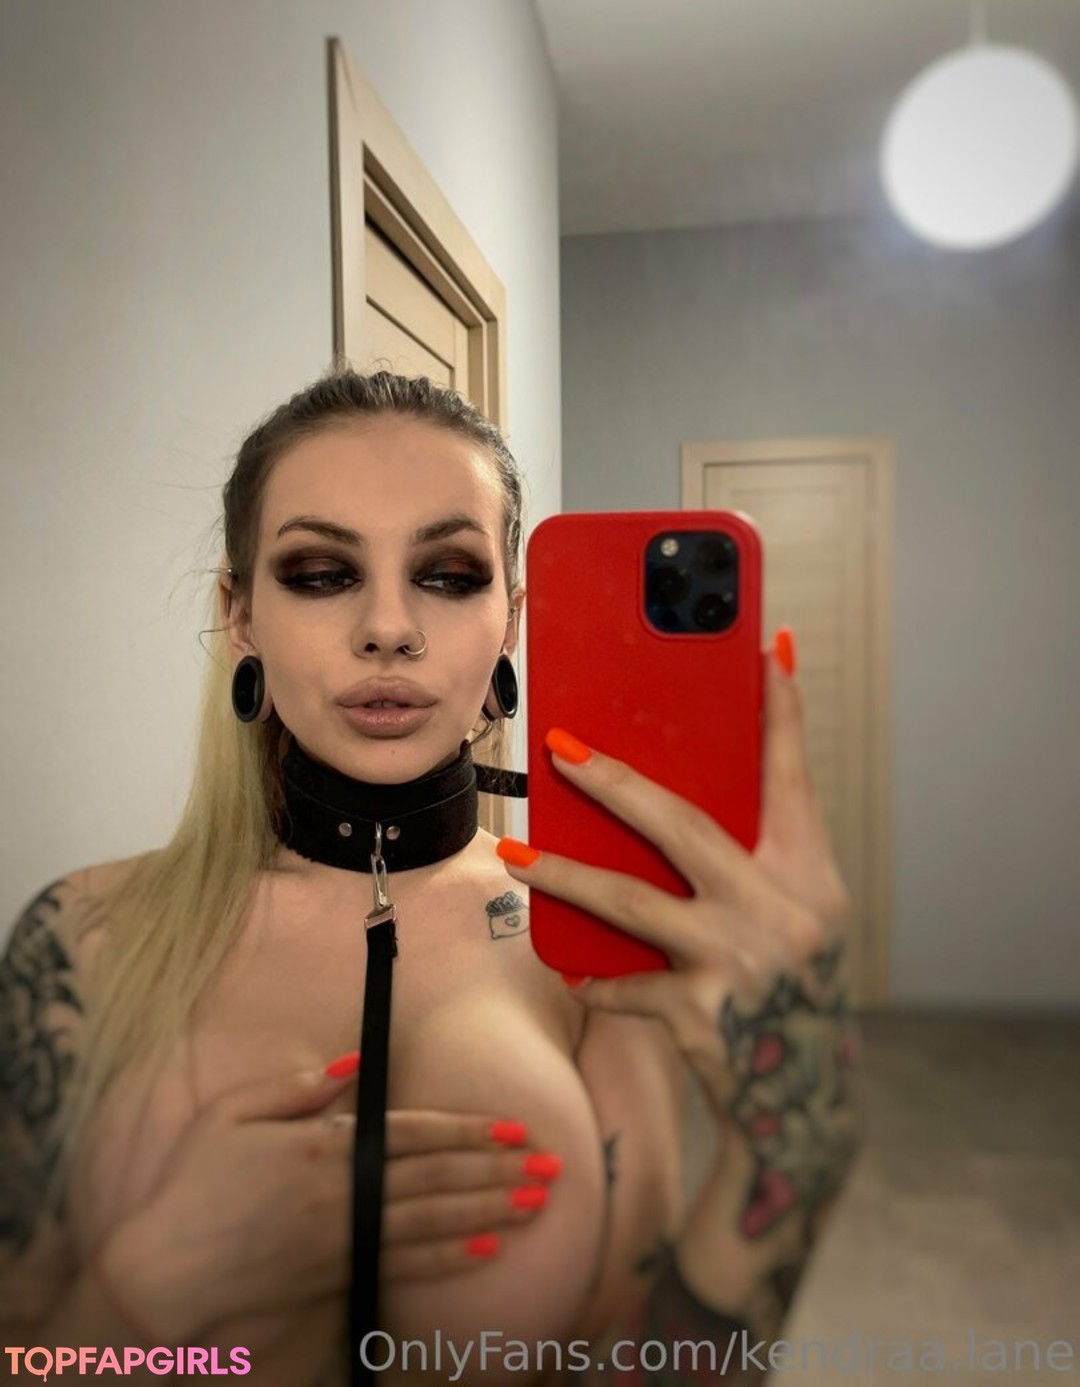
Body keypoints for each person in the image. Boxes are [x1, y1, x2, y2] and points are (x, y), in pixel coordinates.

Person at [0, 370, 864, 1386]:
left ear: (513, 620)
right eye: (321, 571)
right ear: (240, 616)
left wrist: (789, 1158)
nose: (388, 626)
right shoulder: (81, 938)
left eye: (449, 574)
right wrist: (147, 1284)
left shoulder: (587, 946)